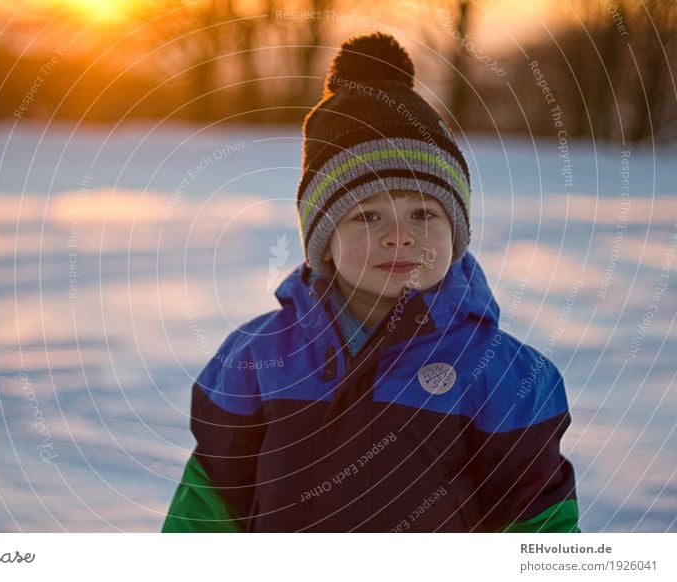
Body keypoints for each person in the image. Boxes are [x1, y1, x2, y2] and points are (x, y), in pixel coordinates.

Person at [162, 32, 579, 532]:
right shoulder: (255, 356)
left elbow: (538, 525)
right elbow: (209, 508)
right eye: (367, 216)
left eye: (423, 213)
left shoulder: (507, 374)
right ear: (324, 240)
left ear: (457, 234)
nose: (399, 237)